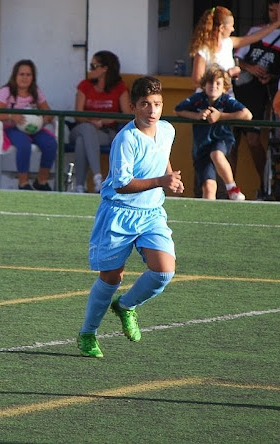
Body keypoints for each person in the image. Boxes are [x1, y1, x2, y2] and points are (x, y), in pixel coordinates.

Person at [77, 76, 184, 358]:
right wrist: (161, 181)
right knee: (112, 277)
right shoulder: (126, 139)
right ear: (133, 107)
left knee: (164, 271)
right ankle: (88, 333)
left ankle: (125, 305)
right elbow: (122, 185)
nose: (152, 110)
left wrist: (170, 177)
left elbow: (163, 156)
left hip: (151, 213)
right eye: (145, 104)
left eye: (157, 104)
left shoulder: (168, 130)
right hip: (118, 213)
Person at [232, 0, 280, 196]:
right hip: (239, 90)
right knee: (231, 142)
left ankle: (266, 186)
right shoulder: (255, 31)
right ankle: (228, 189)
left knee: (253, 141)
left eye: (278, 10)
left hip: (260, 95)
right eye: (270, 10)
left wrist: (272, 77)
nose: (274, 14)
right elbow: (236, 59)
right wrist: (250, 67)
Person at [175, 65, 251, 200]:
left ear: (225, 87)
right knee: (208, 188)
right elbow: (178, 110)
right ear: (204, 85)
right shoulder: (198, 99)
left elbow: (247, 115)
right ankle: (207, 212)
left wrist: (220, 116)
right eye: (210, 82)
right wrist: (197, 116)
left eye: (218, 83)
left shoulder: (226, 100)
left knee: (216, 154)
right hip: (202, 146)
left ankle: (232, 188)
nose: (214, 86)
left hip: (221, 139)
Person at [70, 50, 131, 193]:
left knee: (81, 141)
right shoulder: (84, 85)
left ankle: (80, 186)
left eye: (93, 66)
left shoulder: (119, 88)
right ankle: (97, 177)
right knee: (86, 129)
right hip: (81, 128)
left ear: (105, 68)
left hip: (105, 132)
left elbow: (128, 115)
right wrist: (92, 122)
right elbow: (78, 115)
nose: (90, 70)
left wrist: (107, 120)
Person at [188, 4, 280, 90]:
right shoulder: (203, 51)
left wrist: (277, 24)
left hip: (227, 96)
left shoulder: (228, 43)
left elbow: (255, 37)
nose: (233, 29)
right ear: (222, 28)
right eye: (231, 26)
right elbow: (197, 81)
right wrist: (228, 74)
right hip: (208, 99)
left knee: (243, 108)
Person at [0, 59, 57, 191]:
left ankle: (41, 181)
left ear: (33, 77)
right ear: (15, 76)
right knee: (23, 144)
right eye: (21, 74)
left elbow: (48, 112)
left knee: (50, 143)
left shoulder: (35, 92)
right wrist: (12, 116)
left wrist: (44, 118)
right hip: (11, 128)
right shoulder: (6, 91)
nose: (25, 78)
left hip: (33, 129)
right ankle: (23, 183)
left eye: (28, 75)